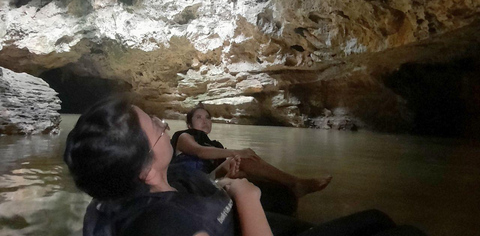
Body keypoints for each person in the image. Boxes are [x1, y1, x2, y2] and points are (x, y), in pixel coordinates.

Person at [64, 96, 427, 236]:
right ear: (143, 168)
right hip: (245, 218)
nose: (163, 125)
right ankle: (295, 185)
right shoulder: (167, 224)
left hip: (233, 211)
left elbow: (195, 181)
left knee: (377, 220)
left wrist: (222, 180)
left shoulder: (128, 186)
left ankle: (293, 189)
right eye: (156, 128)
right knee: (399, 230)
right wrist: (247, 197)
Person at [171, 106, 332, 199]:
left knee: (240, 169)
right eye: (199, 117)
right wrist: (237, 152)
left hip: (209, 179)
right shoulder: (184, 136)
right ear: (189, 124)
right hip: (188, 181)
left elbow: (223, 163)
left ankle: (286, 190)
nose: (205, 120)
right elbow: (200, 152)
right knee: (240, 158)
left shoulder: (215, 145)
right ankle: (295, 183)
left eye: (208, 117)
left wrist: (234, 165)